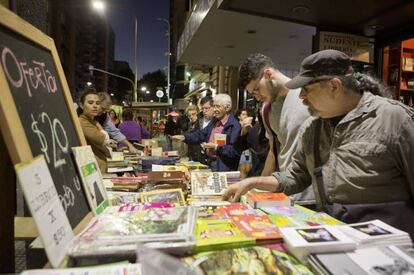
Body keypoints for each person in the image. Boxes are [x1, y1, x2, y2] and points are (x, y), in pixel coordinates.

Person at [224, 49, 414, 237]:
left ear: (334, 86)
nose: (301, 97)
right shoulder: (312, 128)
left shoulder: (395, 119)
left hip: (390, 246)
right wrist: (254, 182)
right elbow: (295, 176)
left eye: (307, 89)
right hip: (335, 236)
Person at [238, 53, 314, 204]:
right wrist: (258, 189)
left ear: (268, 74)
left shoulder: (307, 94)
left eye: (256, 89)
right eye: (252, 93)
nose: (256, 96)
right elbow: (273, 152)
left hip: (313, 196)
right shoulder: (267, 109)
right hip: (286, 193)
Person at [172, 94, 241, 171]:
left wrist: (216, 146)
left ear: (227, 108)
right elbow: (201, 134)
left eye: (217, 106)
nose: (214, 109)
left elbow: (234, 151)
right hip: (209, 162)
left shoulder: (234, 126)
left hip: (223, 166)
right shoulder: (214, 121)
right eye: (214, 106)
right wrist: (184, 137)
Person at [77, 88, 112, 172]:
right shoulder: (82, 121)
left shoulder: (92, 121)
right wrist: (100, 128)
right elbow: (101, 138)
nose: (95, 106)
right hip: (92, 170)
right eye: (90, 103)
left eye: (97, 103)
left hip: (98, 168)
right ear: (81, 105)